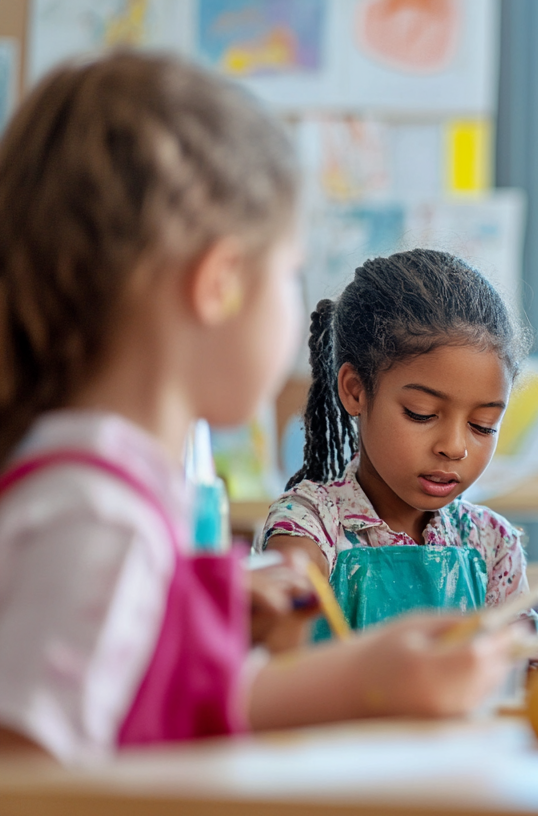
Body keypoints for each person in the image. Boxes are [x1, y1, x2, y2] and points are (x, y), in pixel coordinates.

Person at [0, 53, 511, 765]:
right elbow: (24, 775)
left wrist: (366, 677)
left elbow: (167, 714)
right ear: (221, 283)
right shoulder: (98, 515)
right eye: (289, 269)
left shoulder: (124, 494)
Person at [260, 249, 530, 635]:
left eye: (483, 425)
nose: (454, 447)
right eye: (421, 413)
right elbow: (279, 647)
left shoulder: (492, 544)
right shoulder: (311, 525)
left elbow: (516, 678)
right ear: (356, 391)